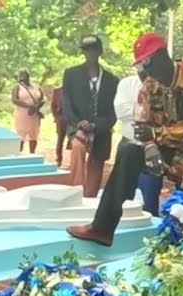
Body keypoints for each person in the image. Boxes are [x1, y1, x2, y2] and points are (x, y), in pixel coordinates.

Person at [68, 32, 183, 246]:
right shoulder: (149, 86)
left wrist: (156, 136)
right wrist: (150, 146)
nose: (146, 71)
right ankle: (102, 228)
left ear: (163, 55)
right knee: (128, 152)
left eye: (148, 63)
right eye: (143, 65)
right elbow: (142, 123)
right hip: (168, 148)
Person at [61, 36, 119, 197]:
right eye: (86, 50)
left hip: (101, 130)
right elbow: (67, 104)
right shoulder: (71, 74)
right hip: (77, 127)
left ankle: (90, 199)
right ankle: (75, 194)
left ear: (100, 52)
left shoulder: (112, 80)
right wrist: (77, 125)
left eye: (93, 50)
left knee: (95, 169)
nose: (90, 54)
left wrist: (96, 126)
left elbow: (114, 111)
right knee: (78, 149)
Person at [112, 66, 163, 215]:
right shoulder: (126, 84)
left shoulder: (162, 87)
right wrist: (144, 110)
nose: (143, 71)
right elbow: (120, 112)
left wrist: (137, 110)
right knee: (122, 195)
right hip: (129, 144)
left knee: (150, 197)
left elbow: (163, 115)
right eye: (139, 67)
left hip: (152, 148)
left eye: (145, 67)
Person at [12, 70, 45, 154]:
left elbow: (43, 98)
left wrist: (37, 106)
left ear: (28, 76)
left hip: (34, 115)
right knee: (20, 135)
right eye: (20, 75)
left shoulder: (36, 86)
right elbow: (14, 100)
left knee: (34, 135)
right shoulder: (17, 87)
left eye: (24, 75)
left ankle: (32, 154)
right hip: (22, 115)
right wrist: (29, 106)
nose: (22, 77)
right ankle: (18, 154)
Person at [52, 86, 68, 167]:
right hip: (61, 119)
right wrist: (56, 118)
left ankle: (74, 161)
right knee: (60, 140)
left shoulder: (75, 89)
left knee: (74, 140)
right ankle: (59, 159)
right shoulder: (57, 91)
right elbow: (53, 106)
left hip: (72, 120)